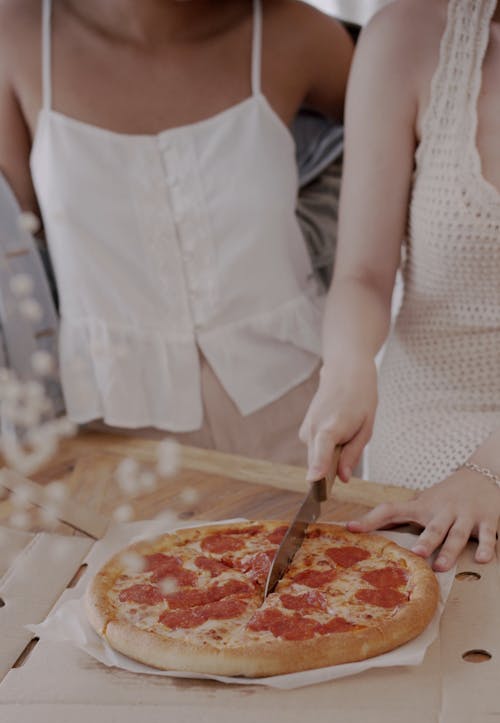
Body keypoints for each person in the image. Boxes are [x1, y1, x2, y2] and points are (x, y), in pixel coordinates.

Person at [0, 0, 353, 464]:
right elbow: (16, 254)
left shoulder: (293, 31)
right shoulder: (15, 33)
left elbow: (409, 155)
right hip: (108, 436)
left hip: (301, 420)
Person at [300, 0, 500, 570]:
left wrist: (489, 471)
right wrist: (346, 366)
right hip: (420, 433)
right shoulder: (404, 36)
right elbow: (362, 274)